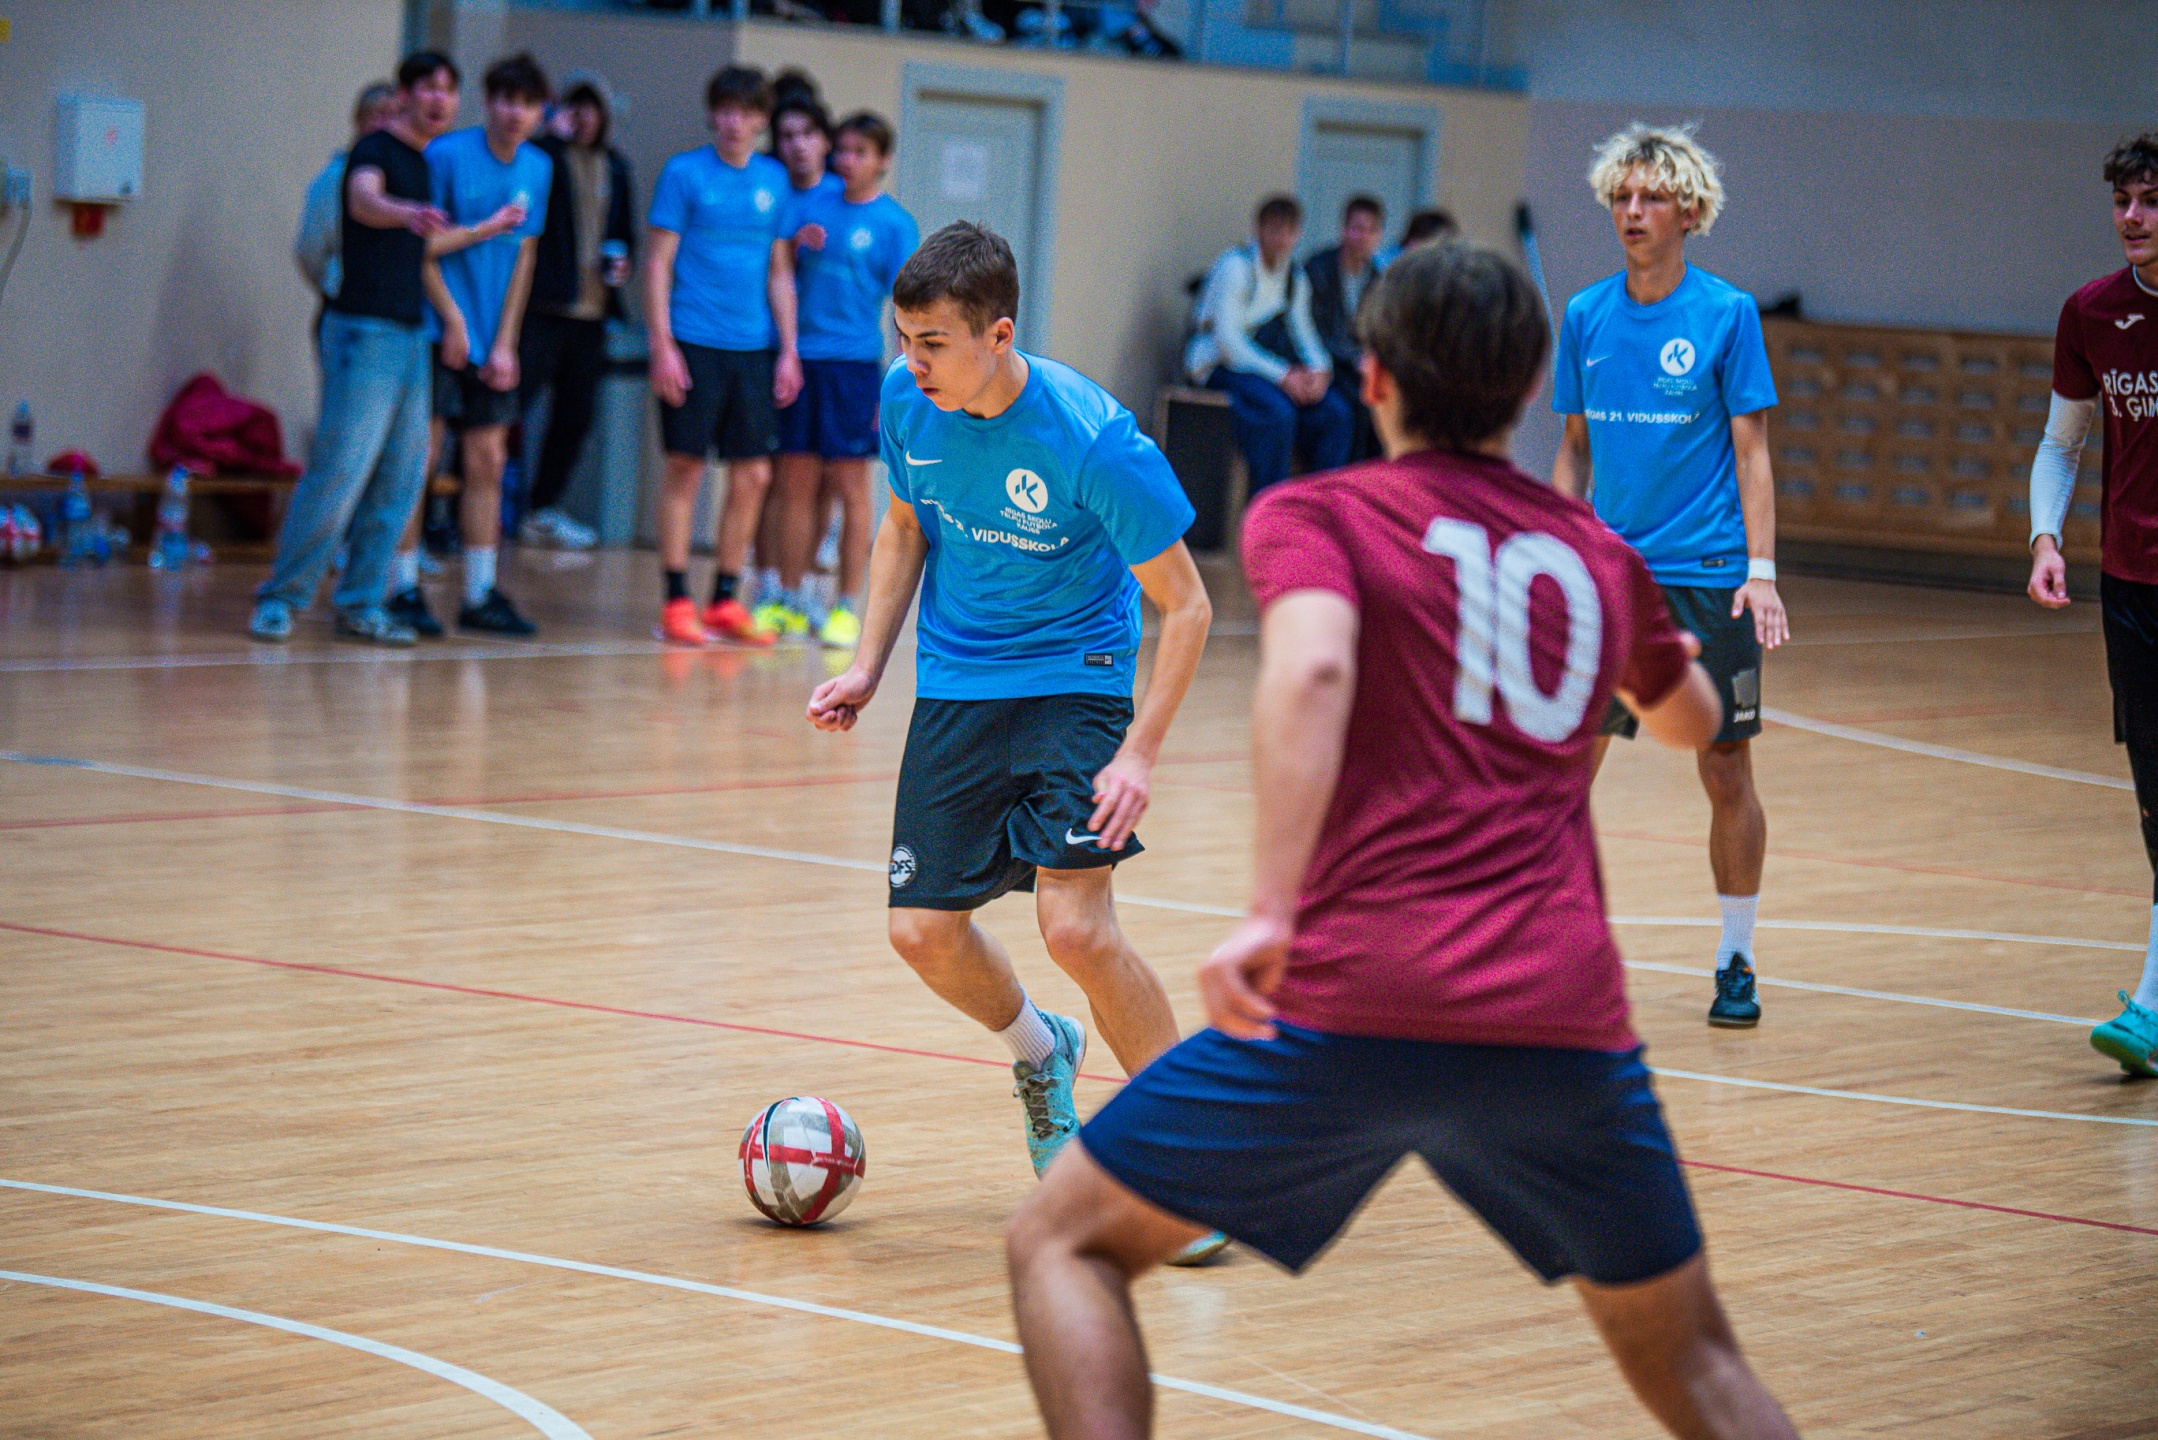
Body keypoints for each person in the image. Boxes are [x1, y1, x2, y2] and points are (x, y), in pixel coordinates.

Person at [1005, 240, 1801, 1440]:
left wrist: (1270, 910)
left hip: (1351, 1003)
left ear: (1371, 378)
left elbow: (1312, 670)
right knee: (1694, 1361)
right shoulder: (1599, 556)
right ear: (1529, 391)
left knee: (1060, 1243)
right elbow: (1688, 722)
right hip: (1558, 1020)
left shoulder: (1316, 514)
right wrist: (1664, 660)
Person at [805, 222, 1224, 1266]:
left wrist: (1139, 752)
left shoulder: (1092, 438)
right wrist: (866, 665)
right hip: (959, 682)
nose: (912, 362)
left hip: (1075, 681)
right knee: (921, 932)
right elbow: (904, 527)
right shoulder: (908, 402)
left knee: (1075, 928)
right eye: (903, 338)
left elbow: (1188, 606)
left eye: (934, 343)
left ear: (999, 335)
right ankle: (1043, 1053)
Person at [1551, 123, 1788, 1028]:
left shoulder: (1727, 314)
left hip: (1709, 574)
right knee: (1565, 771)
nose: (1632, 211)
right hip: (1612, 579)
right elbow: (1574, 451)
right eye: (1621, 196)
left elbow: (1752, 453)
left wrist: (1760, 571)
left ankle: (1736, 958)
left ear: (1689, 212)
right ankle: (1550, 950)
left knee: (1725, 770)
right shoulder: (1585, 315)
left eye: (1651, 197)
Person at [248, 53, 461, 646]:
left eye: (449, 90)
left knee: (400, 479)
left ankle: (362, 603)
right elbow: (366, 201)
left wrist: (456, 314)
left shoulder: (425, 163)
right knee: (340, 469)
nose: (439, 100)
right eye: (429, 88)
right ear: (405, 95)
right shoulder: (373, 152)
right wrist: (406, 212)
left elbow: (425, 251)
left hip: (410, 337)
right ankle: (281, 598)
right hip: (363, 333)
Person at [2029, 132, 2158, 1076]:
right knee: (2154, 799)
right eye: (2122, 201)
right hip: (2131, 587)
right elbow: (2062, 442)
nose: (2132, 217)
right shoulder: (2091, 312)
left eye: (2150, 199)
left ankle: (2150, 1003)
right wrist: (2045, 536)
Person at [382, 52, 553, 639]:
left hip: (490, 339)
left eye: (527, 104)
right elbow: (422, 249)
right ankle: (401, 586)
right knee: (419, 461)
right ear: (487, 101)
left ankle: (479, 592)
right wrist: (454, 322)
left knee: (488, 460)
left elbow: (524, 254)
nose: (515, 113)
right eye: (506, 100)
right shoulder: (446, 156)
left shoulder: (538, 167)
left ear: (539, 112)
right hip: (437, 330)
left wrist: (505, 342)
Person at [645, 65, 803, 647]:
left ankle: (724, 600)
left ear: (762, 120)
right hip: (692, 339)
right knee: (685, 467)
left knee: (754, 474)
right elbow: (658, 262)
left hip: (753, 347)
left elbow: (780, 270)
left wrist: (789, 351)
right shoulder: (683, 173)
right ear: (714, 114)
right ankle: (676, 600)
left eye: (747, 112)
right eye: (727, 110)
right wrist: (662, 344)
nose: (736, 122)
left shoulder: (774, 180)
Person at [769, 110, 919, 651]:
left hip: (854, 368)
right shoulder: (811, 205)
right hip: (803, 362)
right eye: (843, 150)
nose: (847, 161)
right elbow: (780, 269)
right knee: (795, 484)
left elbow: (907, 309)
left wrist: (897, 384)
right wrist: (793, 248)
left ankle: (845, 606)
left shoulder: (894, 224)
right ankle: (790, 598)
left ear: (882, 160)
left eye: (860, 152)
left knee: (853, 490)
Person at [516, 73, 637, 552]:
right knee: (508, 408)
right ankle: (461, 510)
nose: (585, 118)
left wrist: (623, 263)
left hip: (592, 312)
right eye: (576, 107)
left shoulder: (617, 166)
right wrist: (550, 136)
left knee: (576, 416)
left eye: (593, 108)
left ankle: (543, 507)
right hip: (543, 308)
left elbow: (624, 231)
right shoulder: (544, 158)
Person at [751, 81, 844, 638]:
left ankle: (805, 585)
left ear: (824, 140)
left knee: (824, 480)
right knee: (770, 476)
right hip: (769, 348)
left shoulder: (840, 195)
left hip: (831, 357)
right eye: (786, 135)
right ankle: (767, 585)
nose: (797, 145)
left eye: (807, 134)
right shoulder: (766, 190)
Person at [1184, 195, 1351, 497]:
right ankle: (1268, 507)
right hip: (1217, 365)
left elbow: (1305, 333)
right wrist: (1284, 376)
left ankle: (1320, 506)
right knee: (1277, 414)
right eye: (1274, 230)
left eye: (1289, 232)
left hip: (1268, 368)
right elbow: (1228, 344)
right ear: (1259, 229)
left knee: (1335, 413)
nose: (1282, 240)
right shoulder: (1235, 266)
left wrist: (1319, 372)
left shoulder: (1294, 276)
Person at [295, 80, 398, 307]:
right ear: (360, 120)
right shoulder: (337, 174)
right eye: (380, 115)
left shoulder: (407, 177)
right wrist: (335, 284)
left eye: (396, 117)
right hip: (346, 301)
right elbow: (309, 248)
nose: (388, 126)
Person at [1303, 193, 1386, 460]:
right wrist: (1355, 358)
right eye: (1357, 228)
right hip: (1324, 363)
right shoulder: (1319, 268)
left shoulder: (1377, 277)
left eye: (1370, 230)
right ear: (1344, 229)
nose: (1363, 237)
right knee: (1352, 407)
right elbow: (1313, 329)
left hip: (1356, 366)